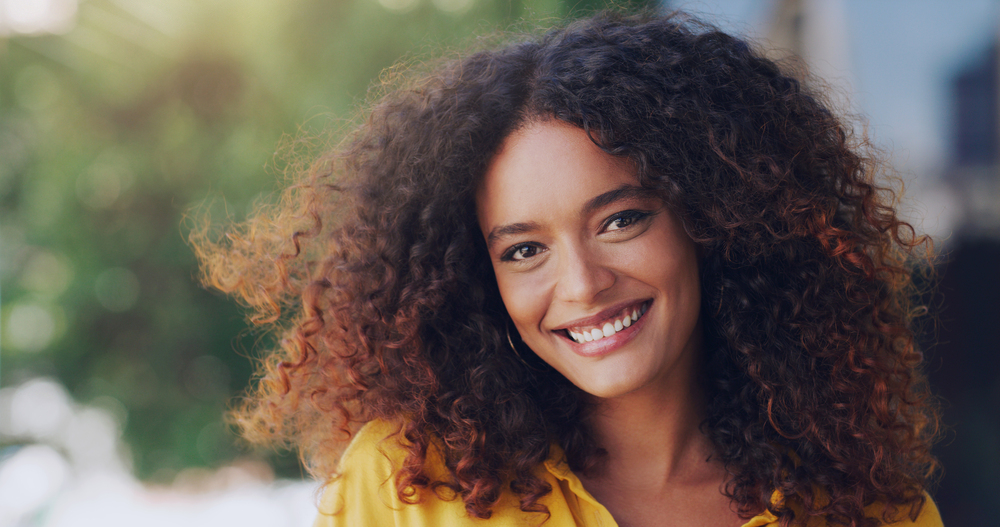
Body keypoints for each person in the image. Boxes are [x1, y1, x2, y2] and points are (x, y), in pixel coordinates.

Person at [190, 10, 943, 527]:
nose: (582, 284)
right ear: (481, 279)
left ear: (709, 217)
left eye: (621, 220)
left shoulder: (870, 511)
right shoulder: (408, 488)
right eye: (524, 250)